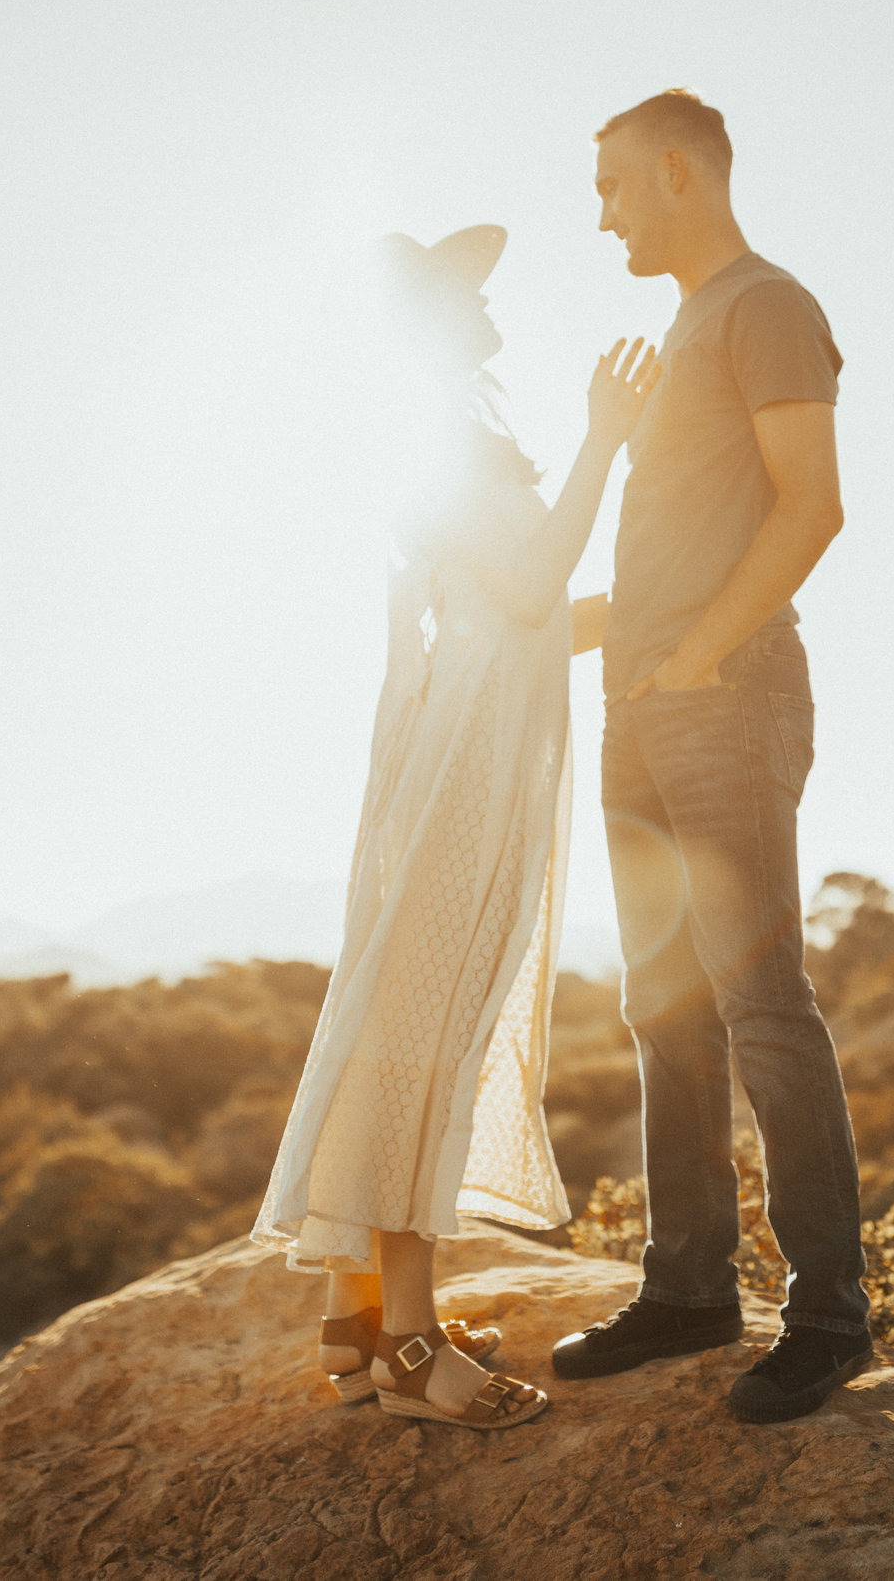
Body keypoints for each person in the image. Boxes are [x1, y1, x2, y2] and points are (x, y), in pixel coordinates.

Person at [255, 223, 658, 1430]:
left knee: (414, 1019)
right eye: (465, 294)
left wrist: (663, 593)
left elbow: (528, 621)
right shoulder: (433, 440)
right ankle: (410, 1347)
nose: (490, 309)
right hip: (464, 772)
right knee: (419, 1031)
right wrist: (605, 436)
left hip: (482, 752)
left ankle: (355, 1322)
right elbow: (531, 590)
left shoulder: (459, 435)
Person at [550, 90, 872, 1424]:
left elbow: (815, 506)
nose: (603, 215)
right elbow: (666, 560)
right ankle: (687, 1286)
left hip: (727, 700)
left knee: (759, 1004)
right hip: (641, 709)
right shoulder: (684, 326)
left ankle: (829, 1315)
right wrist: (522, 636)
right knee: (661, 1003)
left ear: (679, 171)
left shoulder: (765, 305)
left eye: (614, 185)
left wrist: (695, 656)